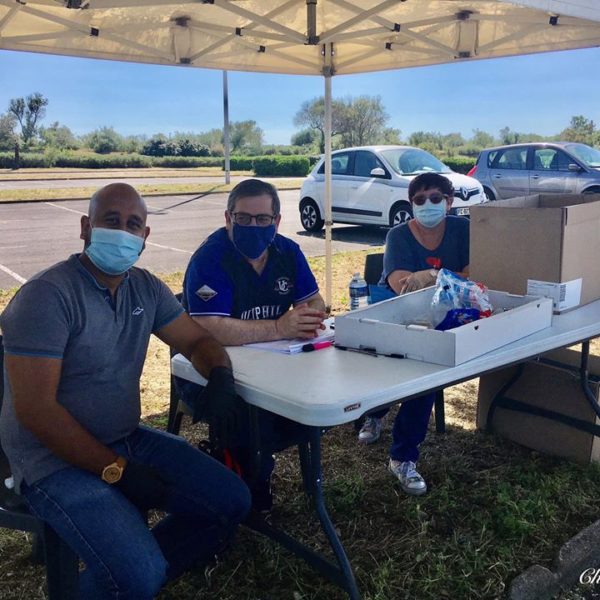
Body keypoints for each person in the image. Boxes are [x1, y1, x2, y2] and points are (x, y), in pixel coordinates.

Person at [0, 183, 251, 600]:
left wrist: (220, 376)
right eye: (111, 221)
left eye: (133, 224)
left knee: (231, 501)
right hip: (50, 461)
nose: (122, 232)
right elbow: (36, 410)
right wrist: (117, 470)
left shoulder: (145, 288)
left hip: (124, 437)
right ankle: (128, 576)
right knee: (138, 575)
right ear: (86, 227)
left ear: (145, 236)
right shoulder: (46, 296)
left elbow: (197, 340)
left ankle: (129, 572)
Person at [176, 178, 326, 511]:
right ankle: (244, 481)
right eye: (243, 218)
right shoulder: (210, 258)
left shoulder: (288, 251)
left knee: (312, 396)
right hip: (208, 371)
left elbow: (315, 301)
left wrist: (309, 316)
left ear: (277, 221)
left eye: (262, 219)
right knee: (246, 413)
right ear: (228, 218)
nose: (252, 226)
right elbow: (207, 328)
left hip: (275, 363)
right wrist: (279, 327)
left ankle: (263, 468)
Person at [357, 172, 469, 496]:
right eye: (420, 199)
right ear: (411, 204)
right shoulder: (398, 235)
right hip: (400, 317)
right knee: (401, 367)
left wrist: (431, 274)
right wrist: (449, 278)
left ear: (449, 201)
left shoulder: (463, 229)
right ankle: (378, 417)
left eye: (435, 198)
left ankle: (401, 455)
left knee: (426, 374)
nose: (427, 204)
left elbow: (476, 274)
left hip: (448, 318)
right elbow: (401, 285)